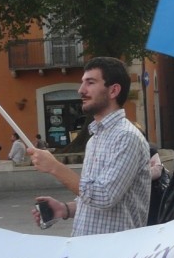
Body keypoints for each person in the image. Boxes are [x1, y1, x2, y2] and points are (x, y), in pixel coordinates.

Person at [29, 57, 150, 235]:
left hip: (114, 253)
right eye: (82, 83)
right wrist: (64, 209)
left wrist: (55, 167)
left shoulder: (127, 137)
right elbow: (91, 198)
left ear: (114, 90)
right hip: (88, 251)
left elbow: (105, 196)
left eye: (90, 82)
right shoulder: (95, 139)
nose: (81, 90)